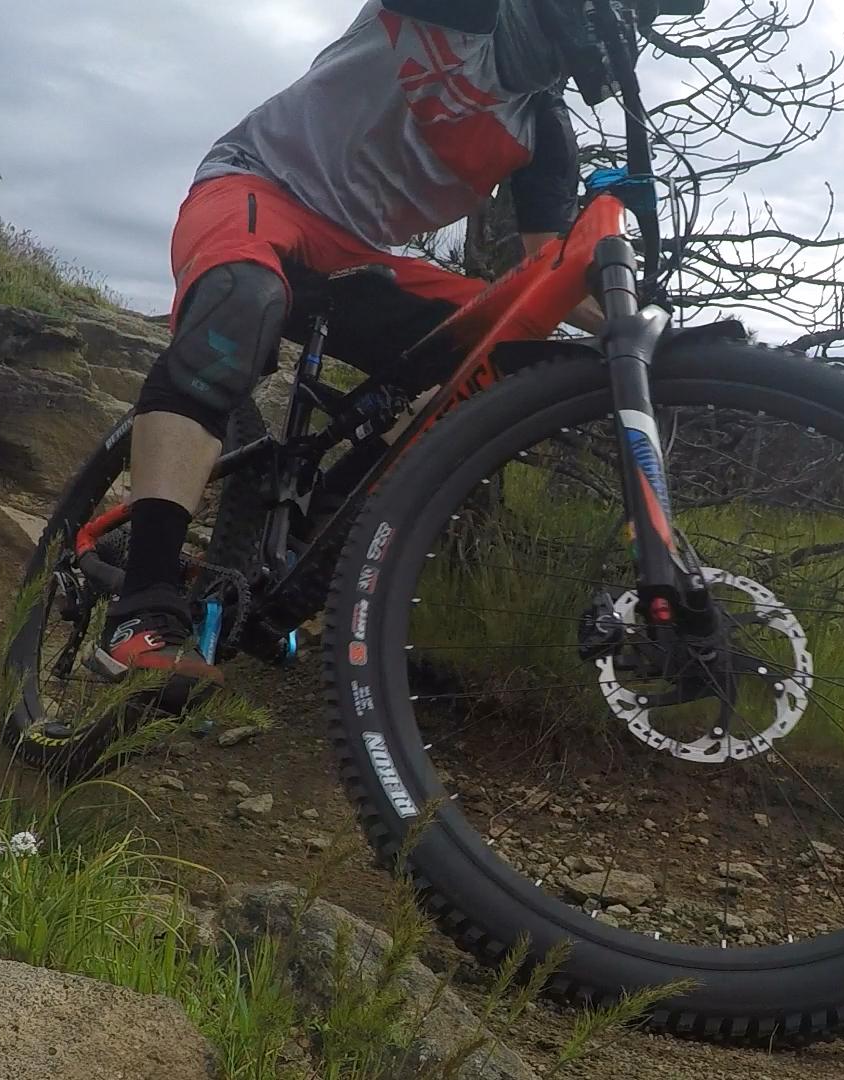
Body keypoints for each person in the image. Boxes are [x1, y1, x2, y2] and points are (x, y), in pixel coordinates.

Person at [94, 0, 701, 688]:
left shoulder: (542, 129)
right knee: (242, 300)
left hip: (357, 255)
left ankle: (324, 527)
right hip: (257, 183)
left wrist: (636, 328)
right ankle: (138, 609)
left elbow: (547, 268)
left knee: (503, 349)